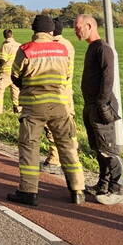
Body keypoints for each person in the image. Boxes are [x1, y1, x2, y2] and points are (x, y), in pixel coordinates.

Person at [6, 14, 85, 207]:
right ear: (51, 31)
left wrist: (27, 85)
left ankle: (29, 191)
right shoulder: (62, 50)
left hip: (33, 106)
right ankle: (77, 190)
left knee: (29, 147)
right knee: (67, 146)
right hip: (59, 104)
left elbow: (15, 76)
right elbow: (66, 75)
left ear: (34, 30)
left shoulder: (25, 50)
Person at [75, 13, 123, 205]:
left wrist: (102, 104)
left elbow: (108, 77)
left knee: (108, 149)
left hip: (100, 106)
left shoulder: (103, 49)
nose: (76, 31)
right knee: (98, 148)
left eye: (78, 27)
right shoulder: (92, 48)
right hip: (91, 105)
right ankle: (102, 184)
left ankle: (117, 189)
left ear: (89, 25)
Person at [43, 17, 75, 168]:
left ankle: (54, 159)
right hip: (67, 91)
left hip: (55, 92)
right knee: (68, 125)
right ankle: (72, 156)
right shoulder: (68, 44)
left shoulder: (53, 47)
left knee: (53, 126)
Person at [0, 29, 21, 114]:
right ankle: (18, 111)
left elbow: (3, 60)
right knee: (16, 92)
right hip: (17, 73)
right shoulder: (19, 45)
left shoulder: (5, 45)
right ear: (12, 35)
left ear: (4, 36)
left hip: (7, 72)